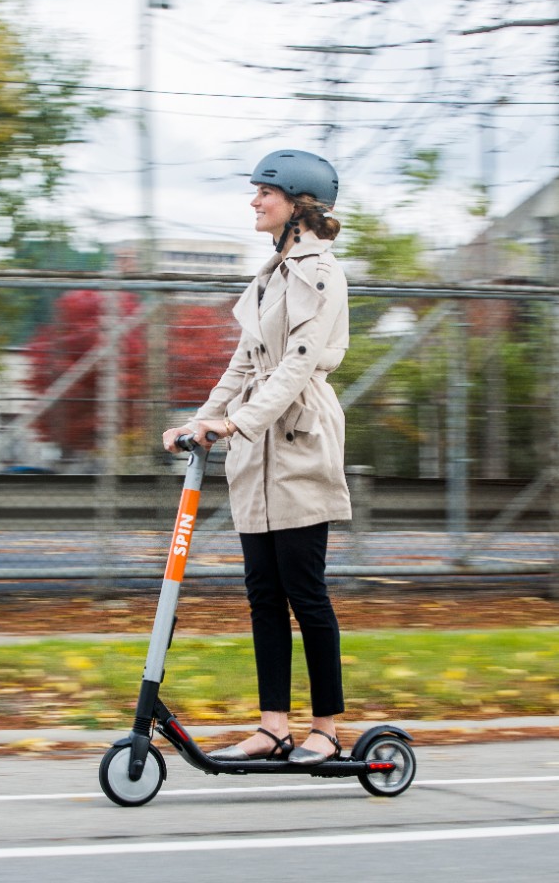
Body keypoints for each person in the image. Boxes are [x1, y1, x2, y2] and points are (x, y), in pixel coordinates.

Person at [162, 149, 352, 765]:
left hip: (296, 436)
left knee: (306, 592)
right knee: (263, 594)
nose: (253, 201)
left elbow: (297, 366)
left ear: (297, 203)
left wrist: (234, 422)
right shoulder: (269, 274)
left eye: (264, 192)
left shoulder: (319, 273)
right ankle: (274, 725)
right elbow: (243, 364)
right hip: (257, 444)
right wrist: (200, 421)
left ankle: (324, 727)